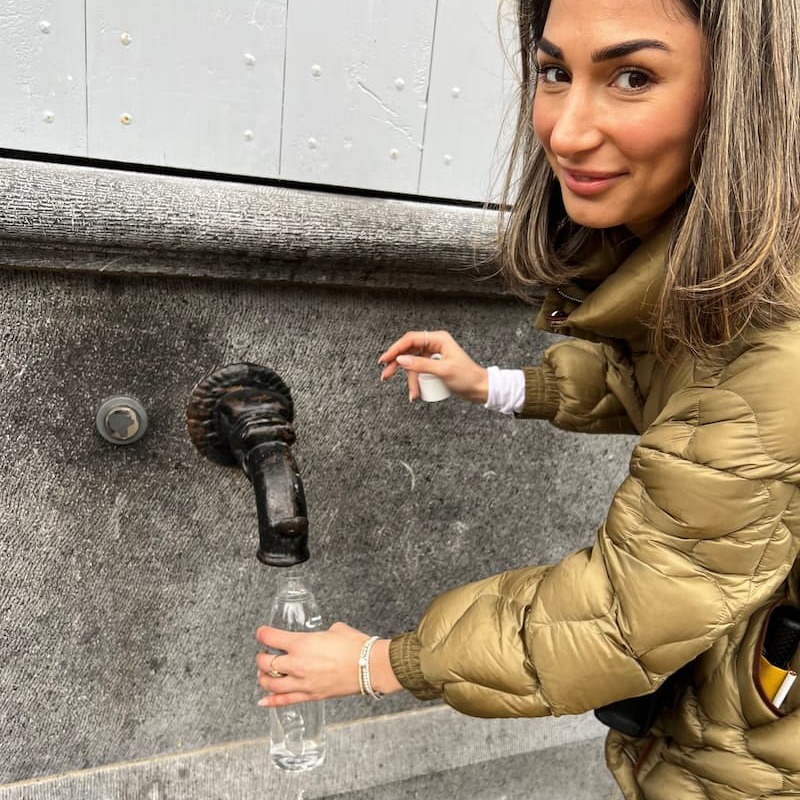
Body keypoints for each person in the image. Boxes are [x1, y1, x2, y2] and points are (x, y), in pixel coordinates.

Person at [256, 0, 800, 796]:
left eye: (633, 76)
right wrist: (497, 384)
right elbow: (665, 385)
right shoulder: (733, 279)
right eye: (555, 72)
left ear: (742, 94)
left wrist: (379, 662)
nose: (567, 131)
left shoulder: (775, 341)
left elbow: (620, 616)